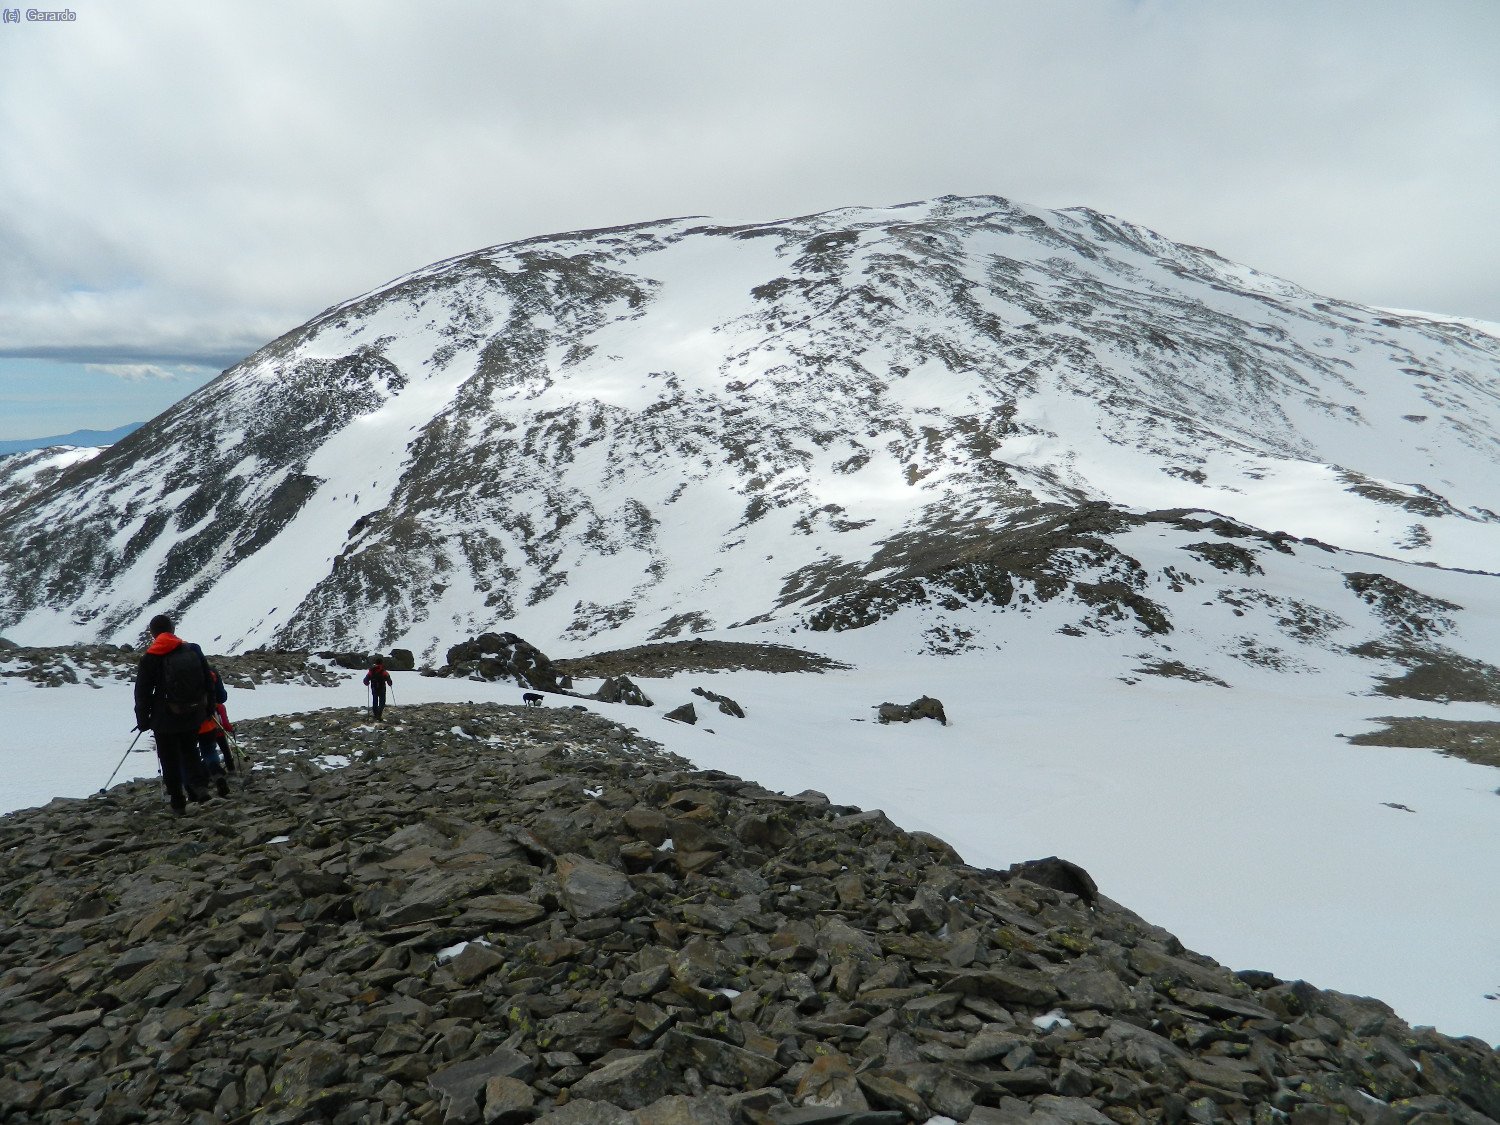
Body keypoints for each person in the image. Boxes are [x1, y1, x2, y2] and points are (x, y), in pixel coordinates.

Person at [134, 613, 215, 815]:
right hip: (192, 713)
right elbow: (208, 681)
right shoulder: (192, 649)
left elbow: (142, 692)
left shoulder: (150, 657)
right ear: (173, 630)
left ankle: (178, 802)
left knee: (168, 758)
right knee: (190, 750)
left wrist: (143, 720)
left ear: (153, 634)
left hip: (164, 718)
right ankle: (200, 787)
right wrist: (209, 708)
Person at [195, 666, 234, 796]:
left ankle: (198, 787)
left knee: (188, 753)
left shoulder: (167, 668)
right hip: (208, 719)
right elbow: (222, 696)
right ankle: (217, 774)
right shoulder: (210, 670)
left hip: (184, 722)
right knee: (210, 750)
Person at [364, 654, 393, 722]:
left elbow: (365, 680)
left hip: (374, 688)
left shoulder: (371, 671)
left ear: (375, 663)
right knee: (382, 702)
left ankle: (375, 714)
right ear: (381, 663)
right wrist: (390, 684)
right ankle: (379, 715)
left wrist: (367, 683)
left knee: (375, 701)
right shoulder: (383, 671)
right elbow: (389, 681)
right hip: (382, 688)